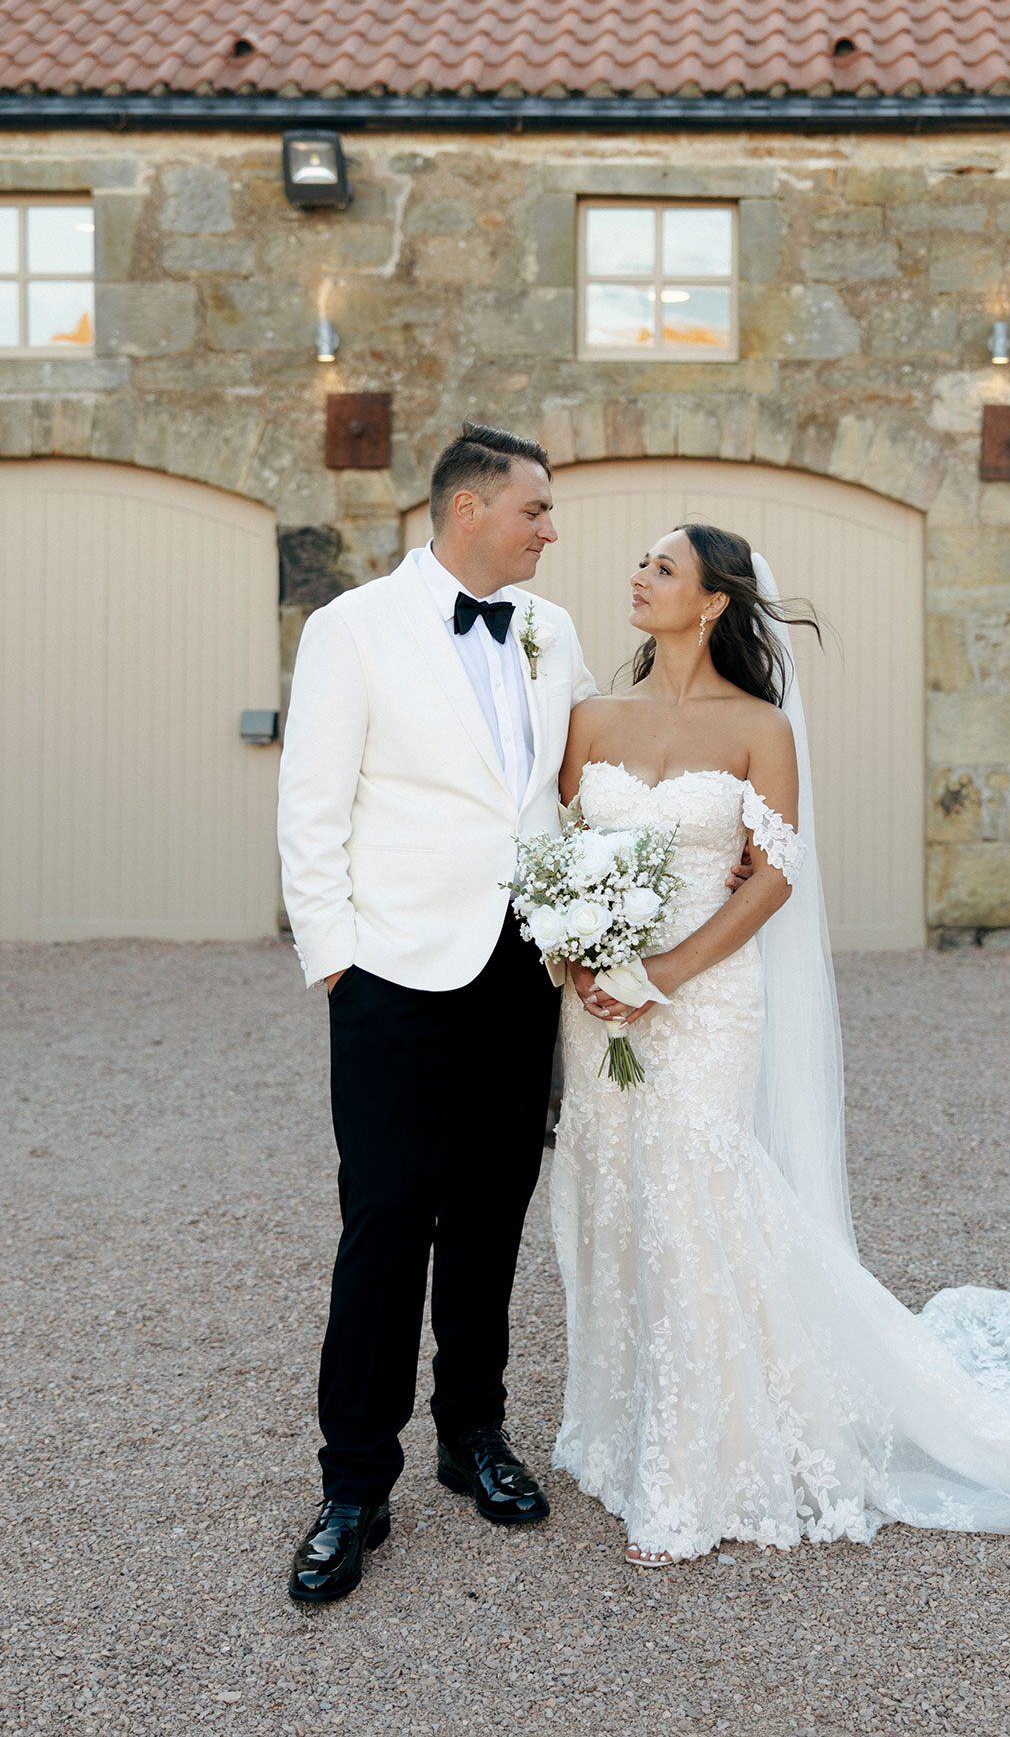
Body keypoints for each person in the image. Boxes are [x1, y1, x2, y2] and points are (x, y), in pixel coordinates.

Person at [552, 520, 1010, 1568]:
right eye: (640, 560)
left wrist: (664, 974)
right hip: (595, 1007)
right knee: (610, 1188)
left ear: (714, 601)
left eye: (661, 567)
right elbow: (559, 855)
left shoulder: (760, 725)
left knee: (693, 1190)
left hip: (706, 997)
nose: (637, 576)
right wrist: (578, 962)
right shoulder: (591, 716)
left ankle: (696, 1464)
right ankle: (618, 1422)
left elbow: (771, 874)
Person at [277, 420, 597, 1603]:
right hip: (394, 979)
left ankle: (473, 1435)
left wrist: (588, 927)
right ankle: (354, 1482)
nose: (551, 531)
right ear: (469, 510)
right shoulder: (350, 629)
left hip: (524, 970)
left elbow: (561, 793)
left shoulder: (550, 634)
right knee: (386, 1220)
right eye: (536, 511)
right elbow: (311, 807)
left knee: (492, 1214)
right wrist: (337, 966)